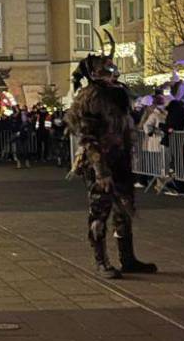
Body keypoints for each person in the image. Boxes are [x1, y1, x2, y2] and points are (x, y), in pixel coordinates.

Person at [66, 30, 157, 278]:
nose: (112, 72)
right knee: (100, 212)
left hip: (120, 160)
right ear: (95, 74)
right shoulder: (91, 98)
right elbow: (88, 137)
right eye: (106, 69)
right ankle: (101, 261)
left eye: (112, 67)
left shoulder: (117, 95)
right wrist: (100, 170)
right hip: (101, 164)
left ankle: (128, 258)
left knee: (124, 210)